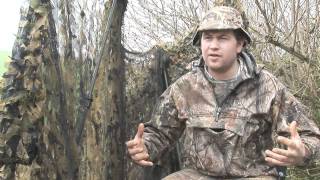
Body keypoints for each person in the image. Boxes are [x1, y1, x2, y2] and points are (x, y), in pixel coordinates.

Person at [126, 6, 320, 179]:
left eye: (223, 38)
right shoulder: (184, 87)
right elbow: (160, 134)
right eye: (208, 38)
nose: (213, 46)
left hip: (256, 175)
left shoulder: (267, 86)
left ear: (240, 44)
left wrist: (302, 151)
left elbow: (311, 137)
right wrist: (146, 147)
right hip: (198, 175)